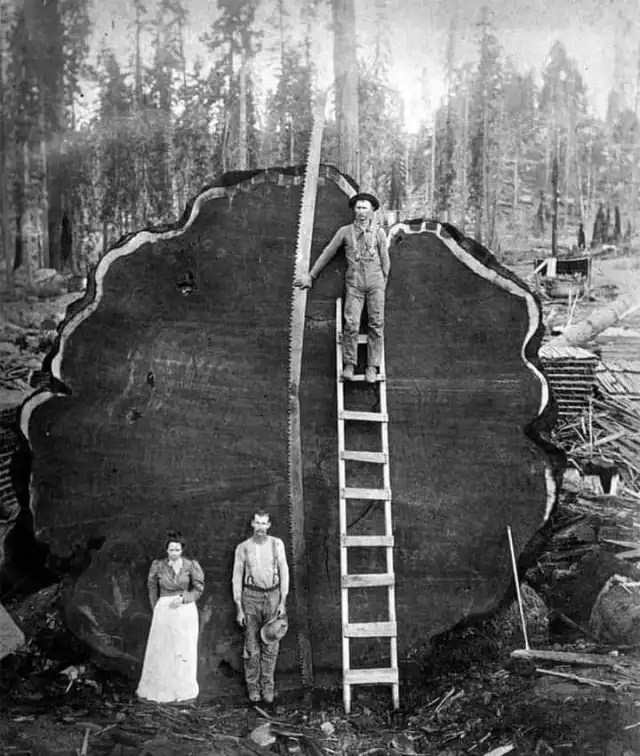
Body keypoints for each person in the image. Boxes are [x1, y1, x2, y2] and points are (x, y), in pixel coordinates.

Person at [296, 192, 390, 383]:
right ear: (354, 210)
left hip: (376, 283)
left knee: (376, 324)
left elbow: (386, 263)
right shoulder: (345, 232)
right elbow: (327, 253)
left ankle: (372, 366)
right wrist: (311, 276)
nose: (361, 211)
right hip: (354, 283)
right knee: (352, 323)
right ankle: (349, 364)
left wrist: (382, 286)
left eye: (365, 207)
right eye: (358, 207)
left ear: (372, 210)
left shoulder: (379, 233)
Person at [137, 531, 204, 703]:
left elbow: (198, 589)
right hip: (164, 610)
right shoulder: (158, 565)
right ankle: (161, 689)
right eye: (171, 550)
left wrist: (184, 598)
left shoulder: (190, 565)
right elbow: (152, 587)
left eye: (177, 550)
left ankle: (182, 690)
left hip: (185, 610)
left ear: (182, 550)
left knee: (183, 649)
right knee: (163, 649)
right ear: (166, 550)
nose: (174, 553)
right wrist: (158, 608)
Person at [232, 511, 289, 704]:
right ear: (252, 524)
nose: (260, 527)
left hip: (273, 596)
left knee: (271, 644)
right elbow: (236, 577)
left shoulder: (277, 544)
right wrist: (239, 607)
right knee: (251, 646)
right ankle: (253, 687)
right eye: (257, 523)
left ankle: (267, 687)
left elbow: (284, 572)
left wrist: (282, 601)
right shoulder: (243, 547)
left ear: (269, 525)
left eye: (264, 523)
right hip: (250, 597)